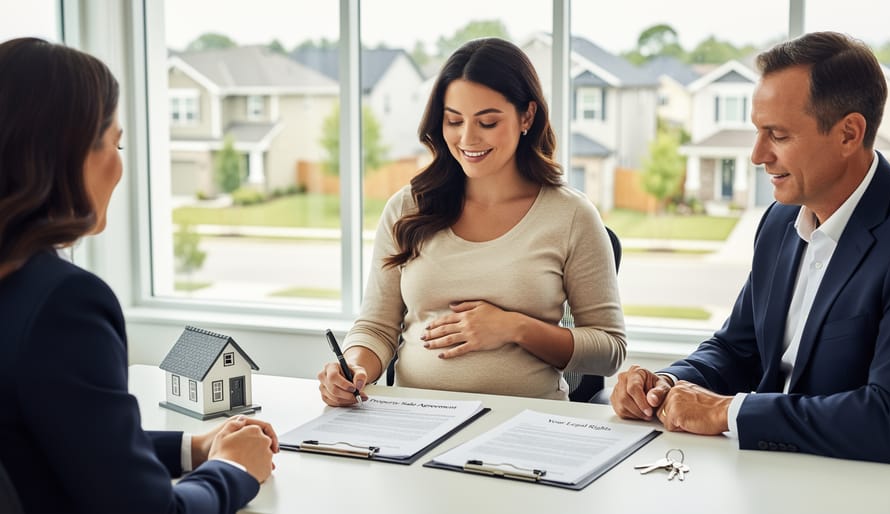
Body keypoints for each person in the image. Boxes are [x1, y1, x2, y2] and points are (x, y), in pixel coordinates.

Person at [0, 37, 279, 513]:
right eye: (116, 142)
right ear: (68, 154)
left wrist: (195, 449)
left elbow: (57, 441)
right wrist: (234, 470)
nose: (120, 166)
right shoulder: (63, 303)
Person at [610, 31, 890, 464]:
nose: (757, 154)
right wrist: (665, 384)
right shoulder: (780, 222)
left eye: (777, 135)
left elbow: (888, 418)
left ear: (848, 134)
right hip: (759, 471)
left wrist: (728, 411)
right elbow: (736, 348)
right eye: (757, 131)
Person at [318, 37, 626, 405]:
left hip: (523, 427)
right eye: (454, 121)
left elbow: (609, 350)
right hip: (412, 420)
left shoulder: (571, 215)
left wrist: (513, 328)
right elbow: (376, 328)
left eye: (488, 122)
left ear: (526, 116)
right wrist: (353, 368)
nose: (467, 138)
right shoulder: (406, 208)